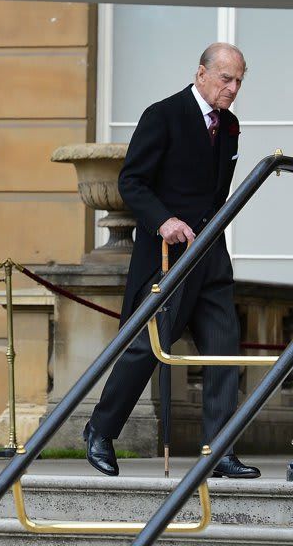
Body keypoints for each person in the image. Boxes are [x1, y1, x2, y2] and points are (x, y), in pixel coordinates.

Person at [85, 43, 258, 479]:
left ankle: (219, 451)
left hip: (211, 256)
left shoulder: (230, 126)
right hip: (167, 256)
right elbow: (132, 181)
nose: (233, 89)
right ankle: (101, 431)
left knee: (224, 351)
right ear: (201, 73)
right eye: (226, 79)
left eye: (239, 80)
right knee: (148, 346)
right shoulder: (162, 115)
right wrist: (164, 220)